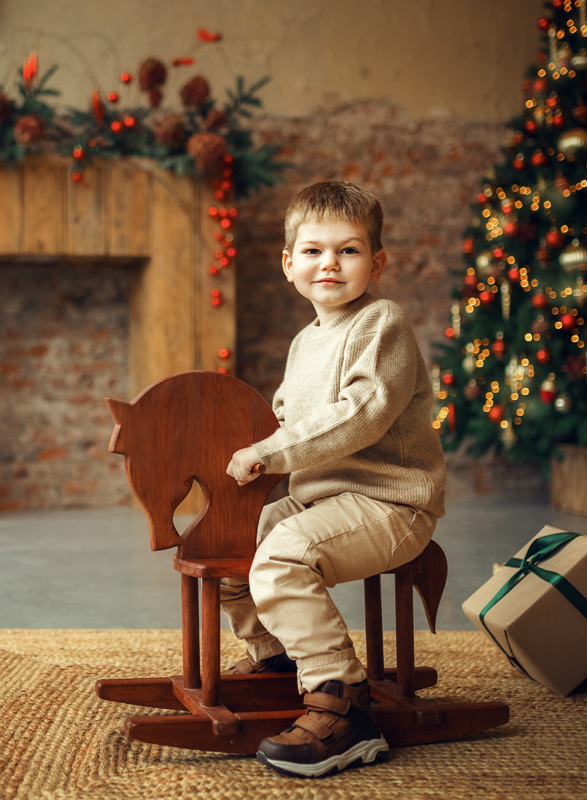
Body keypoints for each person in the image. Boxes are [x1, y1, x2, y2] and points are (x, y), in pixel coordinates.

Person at [223, 180, 446, 778]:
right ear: (289, 264)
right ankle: (276, 656)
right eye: (314, 250)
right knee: (234, 544)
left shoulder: (381, 323)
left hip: (389, 502)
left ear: (375, 263)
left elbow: (358, 414)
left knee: (282, 560)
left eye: (348, 251)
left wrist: (268, 452)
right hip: (322, 499)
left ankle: (344, 705)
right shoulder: (305, 342)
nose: (330, 263)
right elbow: (288, 417)